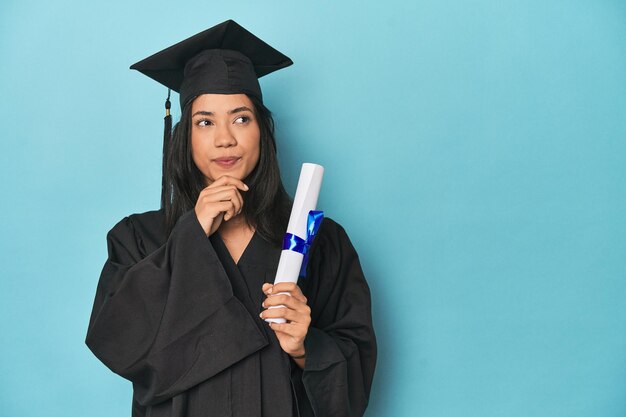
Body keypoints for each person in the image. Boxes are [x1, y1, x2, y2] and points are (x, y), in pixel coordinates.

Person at [85, 20, 376, 417]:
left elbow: (355, 362)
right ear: (184, 135)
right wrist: (193, 232)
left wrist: (307, 347)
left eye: (241, 118)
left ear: (262, 130)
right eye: (205, 122)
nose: (225, 138)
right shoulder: (138, 238)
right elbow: (116, 340)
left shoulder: (317, 239)